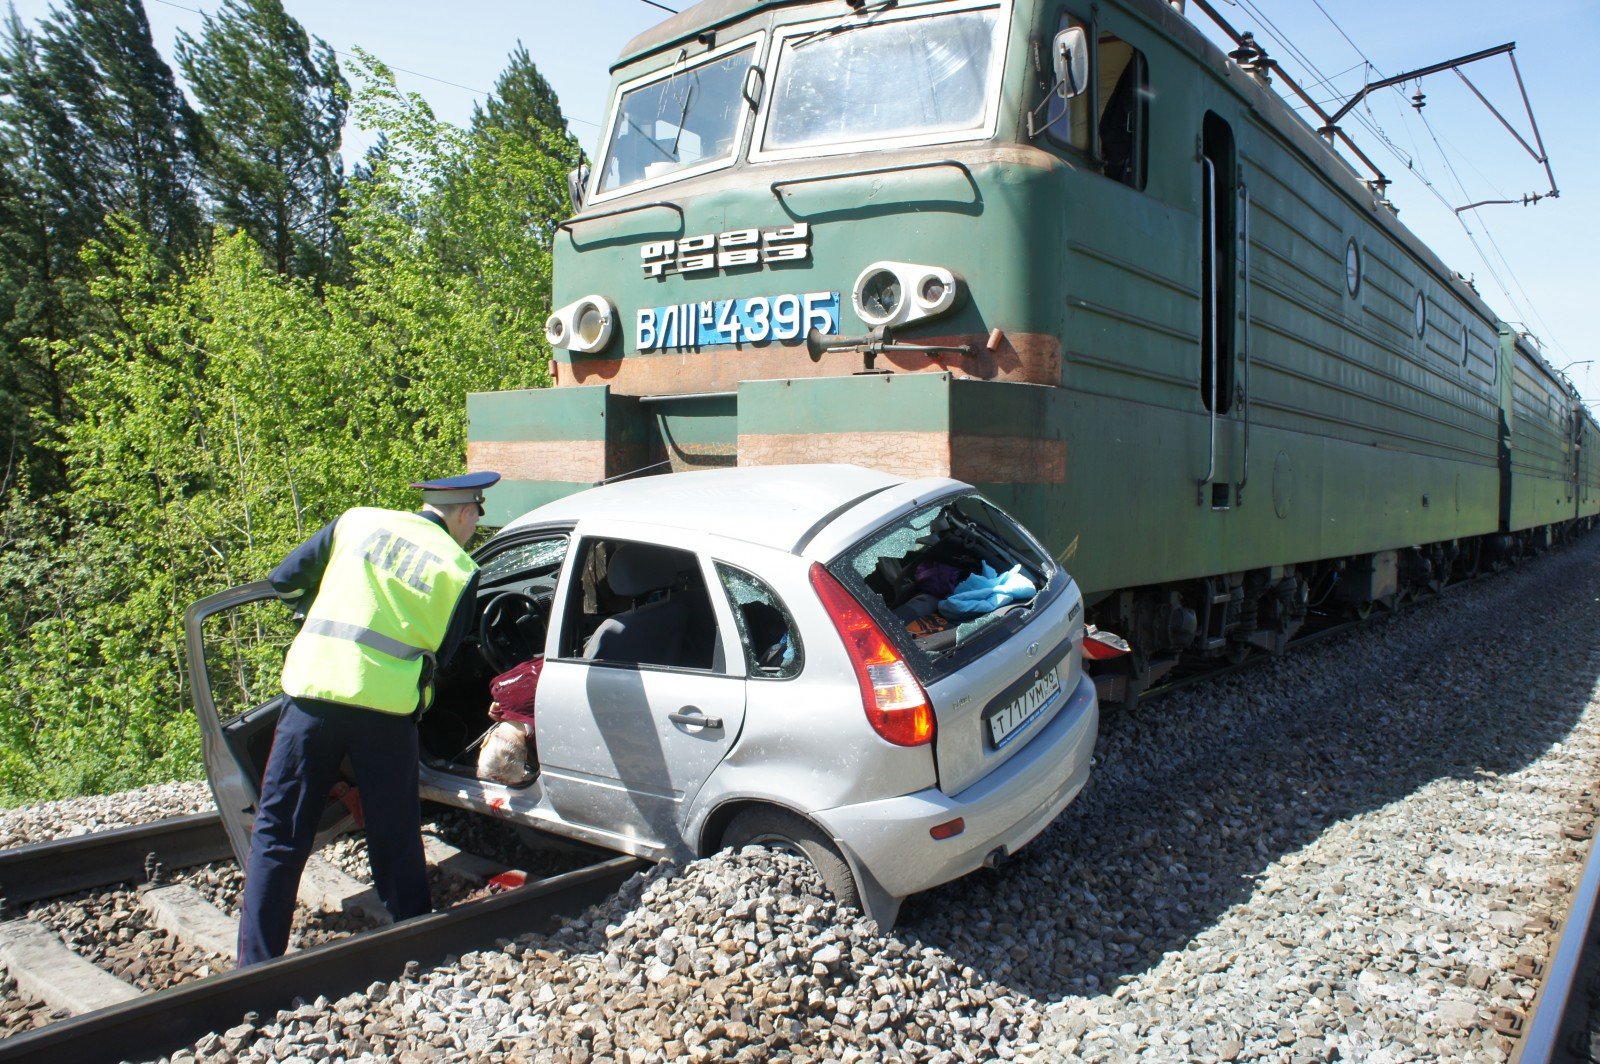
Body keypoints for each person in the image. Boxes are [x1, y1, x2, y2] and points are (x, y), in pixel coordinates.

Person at [235, 470, 500, 967]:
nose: (475, 526)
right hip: (385, 712)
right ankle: (413, 941)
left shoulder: (356, 522)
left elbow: (283, 580)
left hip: (312, 694)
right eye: (478, 516)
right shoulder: (459, 569)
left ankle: (254, 964)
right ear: (466, 511)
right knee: (394, 831)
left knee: (278, 832)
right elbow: (446, 652)